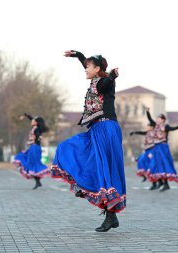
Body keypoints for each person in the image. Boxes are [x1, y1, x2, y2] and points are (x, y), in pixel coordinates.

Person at [51, 50, 125, 232]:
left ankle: (110, 215)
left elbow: (107, 82)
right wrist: (78, 55)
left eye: (88, 67)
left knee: (104, 169)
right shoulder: (94, 80)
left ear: (97, 68)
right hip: (97, 129)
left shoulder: (103, 83)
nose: (85, 69)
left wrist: (113, 76)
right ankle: (109, 214)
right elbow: (89, 66)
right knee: (70, 149)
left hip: (106, 129)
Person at [146, 109, 178, 191]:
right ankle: (160, 182)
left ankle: (165, 184)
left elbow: (173, 128)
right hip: (156, 147)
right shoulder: (155, 125)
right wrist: (147, 112)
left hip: (163, 147)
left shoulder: (165, 126)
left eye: (159, 118)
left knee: (163, 164)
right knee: (155, 164)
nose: (157, 120)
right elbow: (150, 119)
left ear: (163, 120)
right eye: (157, 118)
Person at [13, 113, 49, 189]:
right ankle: (38, 182)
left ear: (36, 122)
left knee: (32, 165)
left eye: (33, 120)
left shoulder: (36, 129)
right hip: (33, 147)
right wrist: (25, 115)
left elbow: (39, 136)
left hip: (35, 148)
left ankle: (38, 181)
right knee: (28, 163)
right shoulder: (35, 127)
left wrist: (38, 139)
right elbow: (32, 119)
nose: (31, 121)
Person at [129, 108, 157, 184]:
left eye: (148, 126)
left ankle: (155, 180)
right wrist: (134, 132)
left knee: (151, 164)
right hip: (147, 150)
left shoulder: (155, 132)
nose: (147, 127)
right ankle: (145, 175)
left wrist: (147, 112)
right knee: (141, 160)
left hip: (152, 150)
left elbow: (150, 119)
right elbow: (141, 132)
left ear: (152, 127)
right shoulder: (147, 133)